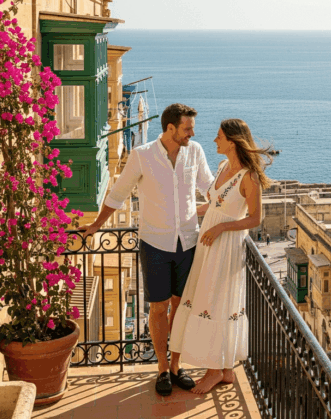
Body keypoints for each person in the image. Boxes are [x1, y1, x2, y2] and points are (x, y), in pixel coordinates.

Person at [79, 103, 214, 396]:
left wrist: (235, 198)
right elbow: (118, 194)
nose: (192, 133)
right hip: (155, 243)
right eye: (187, 128)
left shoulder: (195, 152)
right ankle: (162, 368)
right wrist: (96, 225)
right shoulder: (142, 156)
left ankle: (177, 365)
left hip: (188, 242)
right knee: (158, 308)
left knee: (182, 307)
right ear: (170, 128)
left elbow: (210, 188)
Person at [170, 118, 271, 394]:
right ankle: (226, 370)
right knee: (210, 300)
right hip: (209, 244)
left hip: (225, 247)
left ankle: (214, 371)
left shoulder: (249, 177)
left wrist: (221, 227)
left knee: (215, 302)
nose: (215, 140)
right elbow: (214, 204)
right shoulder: (224, 166)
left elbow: (255, 219)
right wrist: (187, 215)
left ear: (233, 141)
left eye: (219, 136)